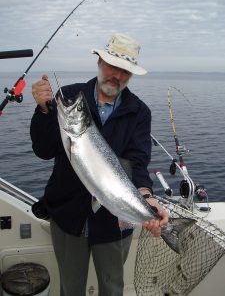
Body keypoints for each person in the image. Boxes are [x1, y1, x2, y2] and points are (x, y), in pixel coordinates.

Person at [30, 33, 169, 296]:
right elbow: (43, 150)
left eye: (125, 71)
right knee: (70, 288)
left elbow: (137, 163)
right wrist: (44, 111)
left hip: (115, 220)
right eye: (112, 65)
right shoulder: (69, 96)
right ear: (99, 61)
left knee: (113, 287)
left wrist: (147, 198)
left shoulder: (139, 112)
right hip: (68, 216)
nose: (117, 75)